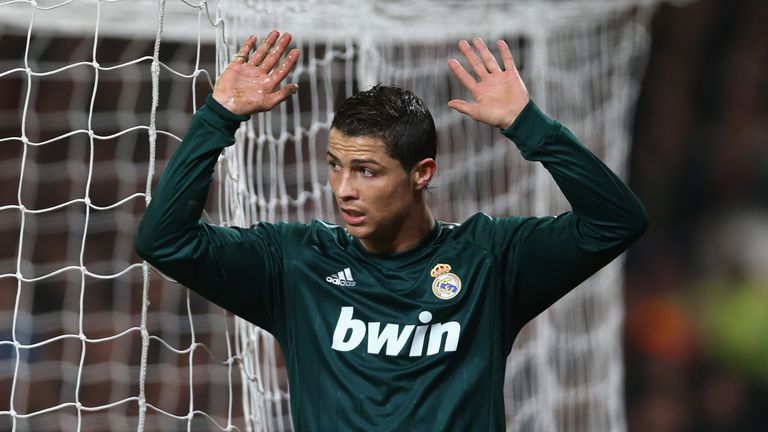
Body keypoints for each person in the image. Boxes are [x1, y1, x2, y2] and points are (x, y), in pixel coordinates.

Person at [135, 29, 647, 430]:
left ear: (421, 173)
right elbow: (165, 241)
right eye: (335, 165)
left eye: (366, 171)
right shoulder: (295, 264)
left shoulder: (490, 259)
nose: (343, 189)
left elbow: (616, 222)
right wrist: (217, 117)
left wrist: (529, 124)